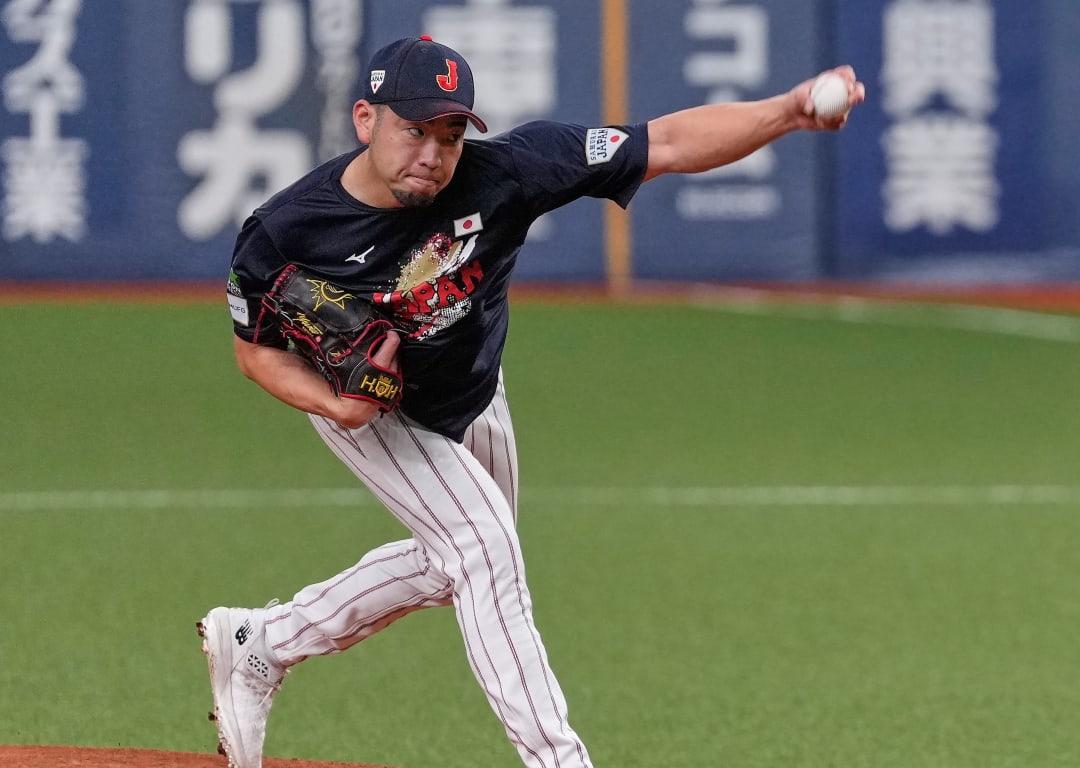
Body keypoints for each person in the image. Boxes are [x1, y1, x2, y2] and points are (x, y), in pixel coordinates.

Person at [199, 34, 864, 768]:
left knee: (459, 564)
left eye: (449, 134)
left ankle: (264, 642)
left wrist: (792, 110)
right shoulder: (287, 230)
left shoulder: (508, 173)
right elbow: (255, 352)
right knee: (484, 548)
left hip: (474, 391)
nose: (432, 151)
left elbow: (666, 142)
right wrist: (336, 407)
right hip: (369, 407)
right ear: (365, 120)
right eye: (413, 129)